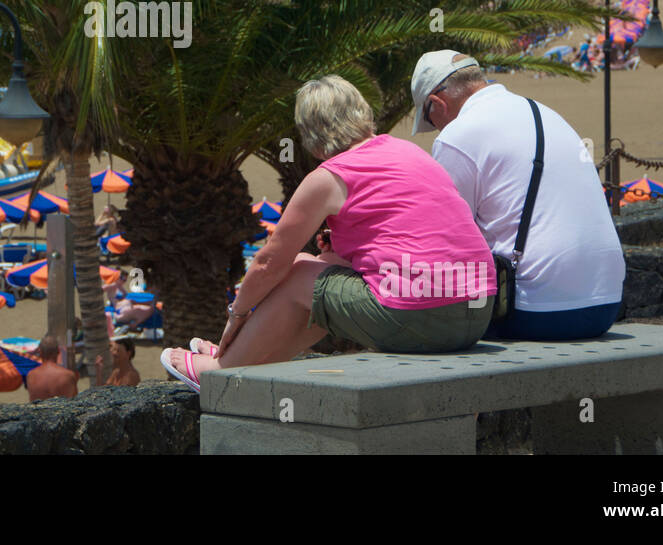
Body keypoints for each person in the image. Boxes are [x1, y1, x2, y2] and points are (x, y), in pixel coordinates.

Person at [160, 76, 497, 391]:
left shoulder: (330, 177)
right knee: (316, 267)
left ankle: (221, 369)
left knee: (302, 272)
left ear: (312, 136)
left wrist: (236, 316)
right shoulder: (407, 152)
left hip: (423, 318)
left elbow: (269, 262)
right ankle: (254, 360)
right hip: (476, 313)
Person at [410, 50, 625, 340]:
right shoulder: (543, 112)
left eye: (428, 118)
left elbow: (445, 235)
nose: (435, 129)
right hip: (607, 303)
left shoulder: (457, 135)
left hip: (535, 311)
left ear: (437, 103)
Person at [27, 334, 79, 400]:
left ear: (40, 352)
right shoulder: (68, 375)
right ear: (58, 351)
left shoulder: (31, 375)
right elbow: (76, 403)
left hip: (40, 410)